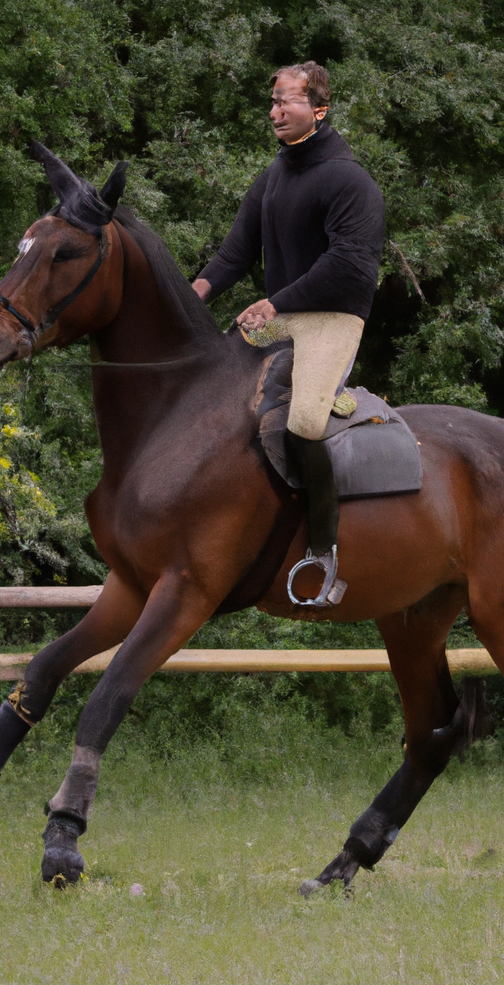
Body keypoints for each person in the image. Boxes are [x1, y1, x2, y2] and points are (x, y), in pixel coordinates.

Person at [192, 61, 385, 607]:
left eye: (288, 102)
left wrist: (276, 302)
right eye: (272, 102)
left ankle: (324, 550)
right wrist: (196, 294)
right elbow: (235, 252)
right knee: (212, 390)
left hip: (332, 319)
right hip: (280, 315)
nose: (276, 111)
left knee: (302, 422)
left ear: (319, 109)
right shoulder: (273, 177)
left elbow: (348, 264)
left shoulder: (351, 181)